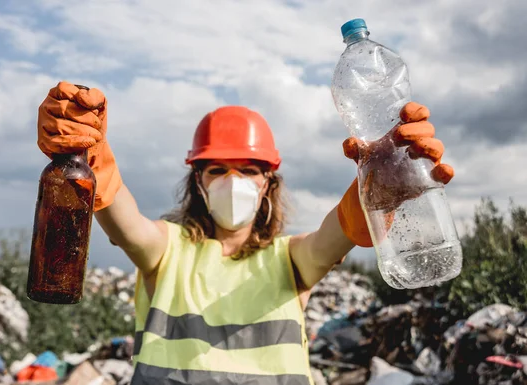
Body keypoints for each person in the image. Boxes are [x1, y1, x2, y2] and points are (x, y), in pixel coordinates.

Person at [37, 81, 454, 384]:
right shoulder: (168, 250)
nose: (232, 182)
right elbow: (123, 220)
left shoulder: (288, 259)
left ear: (267, 183)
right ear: (198, 182)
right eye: (217, 170)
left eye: (248, 170)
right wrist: (92, 159)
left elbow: (338, 232)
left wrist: (376, 189)